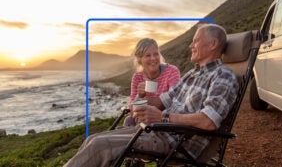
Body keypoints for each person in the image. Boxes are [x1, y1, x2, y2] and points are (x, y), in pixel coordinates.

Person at [64, 24, 239, 167]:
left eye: (195, 41)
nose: (190, 45)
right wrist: (142, 101)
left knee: (99, 147)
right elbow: (161, 101)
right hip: (157, 131)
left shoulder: (223, 76)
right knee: (93, 139)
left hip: (176, 143)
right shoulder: (192, 75)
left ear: (213, 44)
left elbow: (208, 121)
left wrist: (163, 117)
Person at [124, 38, 180, 126]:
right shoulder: (137, 77)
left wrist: (152, 105)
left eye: (156, 54)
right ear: (140, 60)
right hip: (144, 120)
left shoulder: (171, 71)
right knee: (128, 120)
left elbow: (176, 101)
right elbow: (132, 110)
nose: (153, 58)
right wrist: (140, 96)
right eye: (148, 55)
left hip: (164, 120)